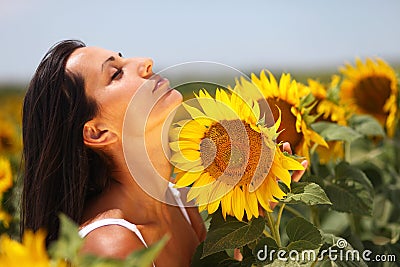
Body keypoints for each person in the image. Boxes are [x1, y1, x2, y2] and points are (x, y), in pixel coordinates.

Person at [21, 40, 307, 266]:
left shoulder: (180, 200)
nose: (145, 62)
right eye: (116, 73)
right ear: (97, 132)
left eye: (123, 58)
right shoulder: (111, 247)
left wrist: (255, 212)